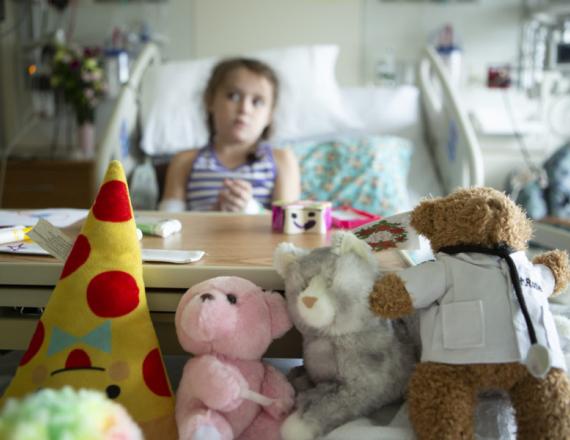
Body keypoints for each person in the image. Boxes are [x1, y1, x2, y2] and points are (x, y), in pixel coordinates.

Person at [159, 57, 300, 213]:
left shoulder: (282, 161)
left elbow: (290, 225)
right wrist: (215, 215)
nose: (245, 109)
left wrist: (251, 209)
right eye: (233, 96)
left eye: (257, 102)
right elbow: (167, 224)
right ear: (210, 101)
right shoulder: (184, 162)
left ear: (269, 115)